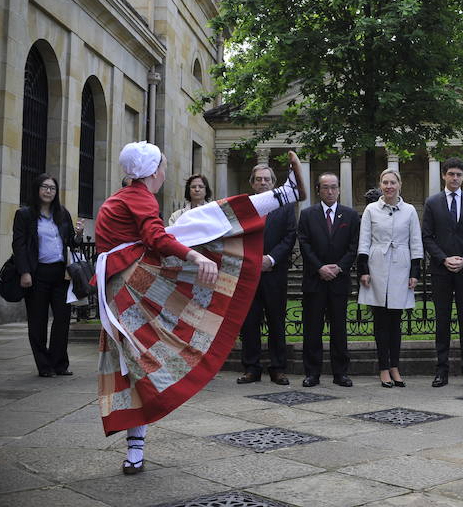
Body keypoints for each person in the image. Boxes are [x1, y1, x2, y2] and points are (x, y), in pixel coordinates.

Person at [94, 141, 305, 475]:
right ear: (152, 171)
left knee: (135, 366)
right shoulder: (138, 196)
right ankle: (283, 195)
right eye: (163, 165)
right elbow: (154, 235)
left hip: (125, 287)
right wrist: (193, 256)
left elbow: (148, 235)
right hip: (133, 287)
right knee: (137, 365)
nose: (165, 170)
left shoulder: (125, 196)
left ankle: (135, 449)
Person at [422, 157, 463, 388]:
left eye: (459, 175)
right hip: (441, 271)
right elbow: (427, 236)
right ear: (444, 175)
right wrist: (444, 258)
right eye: (451, 174)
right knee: (442, 322)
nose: (455, 178)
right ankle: (441, 370)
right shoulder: (432, 202)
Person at [11, 173, 84, 377]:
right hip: (37, 274)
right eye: (45, 187)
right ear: (37, 189)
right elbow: (19, 245)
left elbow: (71, 243)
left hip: (61, 274)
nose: (48, 191)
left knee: (62, 319)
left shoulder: (62, 214)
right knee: (38, 322)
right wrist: (25, 272)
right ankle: (44, 366)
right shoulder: (24, 215)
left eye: (52, 188)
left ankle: (59, 363)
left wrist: (78, 235)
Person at [357, 169, 423, 388]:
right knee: (380, 320)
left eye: (392, 182)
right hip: (377, 266)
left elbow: (416, 241)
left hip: (401, 267)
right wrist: (363, 270)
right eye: (385, 182)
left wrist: (415, 272)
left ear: (400, 184)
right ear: (380, 184)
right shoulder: (371, 209)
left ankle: (395, 366)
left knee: (396, 321)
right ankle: (383, 367)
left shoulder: (410, 210)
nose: (389, 186)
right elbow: (364, 240)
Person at [297, 172, 360, 387]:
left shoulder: (350, 216)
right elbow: (304, 244)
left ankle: (340, 373)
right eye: (325, 187)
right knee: (312, 329)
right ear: (318, 190)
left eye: (334, 187)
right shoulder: (307, 215)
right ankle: (312, 373)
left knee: (339, 330)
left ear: (340, 189)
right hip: (315, 281)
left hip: (339, 282)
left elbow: (354, 246)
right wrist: (319, 267)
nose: (330, 191)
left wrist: (340, 267)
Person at [237, 164, 297, 385]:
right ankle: (251, 368)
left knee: (276, 322)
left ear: (274, 183)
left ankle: (278, 368)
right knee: (250, 322)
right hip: (249, 274)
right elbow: (237, 237)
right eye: (259, 179)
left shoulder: (285, 207)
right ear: (252, 183)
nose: (263, 183)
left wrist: (270, 259)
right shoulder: (243, 207)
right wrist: (254, 261)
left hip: (274, 273)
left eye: (267, 179)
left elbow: (290, 236)